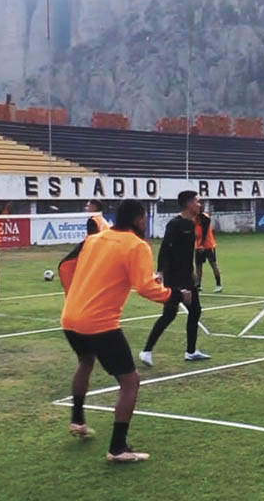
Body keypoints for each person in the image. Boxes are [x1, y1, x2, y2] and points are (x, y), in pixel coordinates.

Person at [59, 199, 190, 462]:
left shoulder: (95, 239)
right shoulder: (136, 245)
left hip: (70, 317)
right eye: (144, 218)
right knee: (130, 381)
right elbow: (145, 288)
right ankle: (118, 448)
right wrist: (177, 295)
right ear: (139, 219)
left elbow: (66, 265)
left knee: (86, 361)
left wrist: (77, 295)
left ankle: (77, 420)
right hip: (99, 323)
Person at [140, 191, 209, 365]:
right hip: (174, 277)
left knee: (195, 310)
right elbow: (165, 249)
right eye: (197, 201)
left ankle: (191, 351)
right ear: (188, 204)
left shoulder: (193, 223)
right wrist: (161, 272)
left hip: (187, 275)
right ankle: (146, 351)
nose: (200, 204)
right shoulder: (175, 224)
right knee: (169, 314)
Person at [194, 209, 223, 293]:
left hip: (208, 245)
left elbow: (204, 233)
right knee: (198, 266)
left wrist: (202, 245)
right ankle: (198, 285)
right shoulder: (194, 218)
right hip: (198, 246)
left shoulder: (206, 219)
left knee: (213, 264)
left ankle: (218, 284)